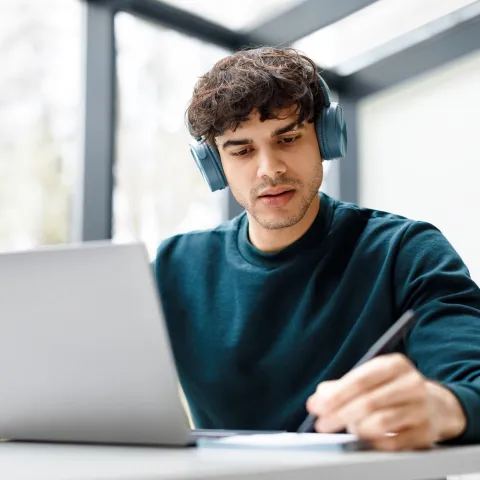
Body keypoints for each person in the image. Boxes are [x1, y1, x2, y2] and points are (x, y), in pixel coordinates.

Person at [153, 46, 480, 451]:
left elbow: (473, 384)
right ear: (214, 165)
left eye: (288, 138)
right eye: (241, 150)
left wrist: (442, 407)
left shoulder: (406, 253)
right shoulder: (172, 268)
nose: (269, 169)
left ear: (326, 138)